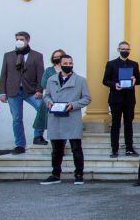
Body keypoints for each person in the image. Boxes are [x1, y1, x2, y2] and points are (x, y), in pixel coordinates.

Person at [40, 55, 91, 185]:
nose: (68, 65)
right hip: (56, 117)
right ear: (60, 64)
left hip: (71, 117)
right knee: (56, 149)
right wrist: (49, 102)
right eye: (65, 63)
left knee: (76, 148)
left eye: (70, 63)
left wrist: (73, 105)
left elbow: (87, 98)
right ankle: (55, 174)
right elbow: (46, 96)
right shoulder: (51, 79)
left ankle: (79, 174)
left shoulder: (80, 80)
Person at [0, 31, 45, 153]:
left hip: (30, 90)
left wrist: (40, 90)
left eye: (22, 39)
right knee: (17, 118)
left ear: (27, 40)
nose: (19, 41)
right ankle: (20, 144)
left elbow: (41, 74)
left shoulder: (37, 55)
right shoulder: (8, 55)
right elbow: (4, 74)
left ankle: (38, 136)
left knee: (42, 109)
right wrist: (2, 92)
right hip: (13, 91)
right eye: (17, 39)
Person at [102, 42, 140, 158]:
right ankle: (114, 149)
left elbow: (139, 80)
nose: (125, 51)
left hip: (129, 99)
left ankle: (129, 148)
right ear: (119, 49)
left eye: (127, 49)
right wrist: (114, 85)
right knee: (115, 124)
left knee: (128, 124)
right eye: (123, 49)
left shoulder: (134, 64)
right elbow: (105, 80)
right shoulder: (111, 64)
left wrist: (135, 79)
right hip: (116, 99)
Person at [32, 49, 64, 148]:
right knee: (42, 116)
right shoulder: (49, 70)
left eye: (58, 57)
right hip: (50, 97)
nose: (56, 58)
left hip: (63, 99)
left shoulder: (67, 69)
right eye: (55, 57)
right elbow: (44, 83)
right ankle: (38, 136)